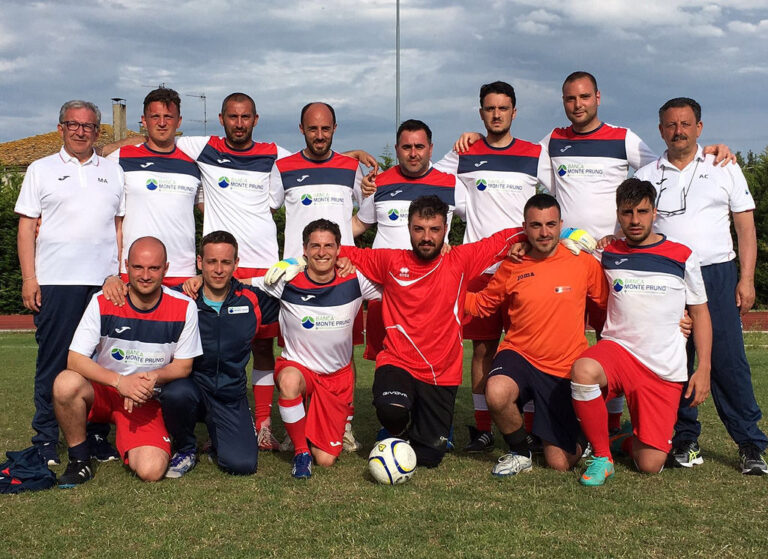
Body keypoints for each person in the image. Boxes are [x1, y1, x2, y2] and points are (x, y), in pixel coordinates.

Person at [635, 97, 768, 475]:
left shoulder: (723, 166)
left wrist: (746, 279)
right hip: (669, 277)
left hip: (716, 274)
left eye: (686, 124)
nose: (678, 131)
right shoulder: (647, 174)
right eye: (671, 125)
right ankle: (685, 439)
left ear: (699, 128)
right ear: (661, 130)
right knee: (675, 360)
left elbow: (745, 228)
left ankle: (750, 444)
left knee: (728, 362)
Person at [342, 195, 524, 468]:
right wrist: (301, 264)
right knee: (391, 410)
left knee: (429, 458)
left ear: (446, 230)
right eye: (419, 229)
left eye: (434, 230)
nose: (426, 237)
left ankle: (420, 430)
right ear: (409, 229)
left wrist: (568, 234)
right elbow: (334, 250)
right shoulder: (390, 261)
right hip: (398, 361)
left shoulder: (460, 260)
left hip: (441, 373)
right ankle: (399, 430)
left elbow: (512, 235)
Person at [433, 81, 551, 452]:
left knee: (529, 348)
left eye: (503, 108)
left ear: (514, 112)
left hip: (525, 266)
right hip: (481, 272)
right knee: (482, 350)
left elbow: (557, 200)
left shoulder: (536, 153)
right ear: (481, 112)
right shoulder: (464, 153)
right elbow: (429, 180)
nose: (496, 114)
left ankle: (529, 426)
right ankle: (483, 428)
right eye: (489, 108)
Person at [571, 178, 712, 486]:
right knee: (583, 370)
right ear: (618, 214)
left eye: (642, 212)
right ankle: (602, 456)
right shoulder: (607, 253)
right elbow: (565, 243)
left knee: (650, 464)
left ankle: (623, 439)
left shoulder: (682, 255)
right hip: (619, 351)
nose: (634, 220)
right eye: (627, 212)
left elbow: (700, 312)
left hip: (662, 367)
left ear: (654, 212)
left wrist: (703, 368)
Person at [464, 193, 609, 476]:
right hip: (519, 354)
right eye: (536, 225)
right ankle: (520, 451)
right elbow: (482, 304)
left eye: (551, 224)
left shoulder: (584, 263)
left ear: (561, 225)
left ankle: (582, 434)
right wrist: (443, 292)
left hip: (564, 368)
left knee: (559, 463)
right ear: (525, 227)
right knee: (496, 392)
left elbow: (609, 306)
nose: (544, 233)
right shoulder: (512, 263)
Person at [15, 100, 125, 466]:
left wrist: (119, 273)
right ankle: (45, 439)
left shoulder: (113, 171)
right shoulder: (39, 169)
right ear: (61, 127)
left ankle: (95, 436)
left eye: (89, 126)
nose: (81, 131)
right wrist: (30, 278)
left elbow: (119, 226)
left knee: (100, 363)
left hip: (103, 285)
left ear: (98, 131)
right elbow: (27, 226)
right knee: (53, 363)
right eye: (73, 124)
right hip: (57, 282)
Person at [52, 237, 202, 487]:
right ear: (126, 266)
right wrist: (120, 382)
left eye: (153, 268)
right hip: (105, 390)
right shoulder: (103, 300)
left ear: (165, 268)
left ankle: (127, 438)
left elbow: (184, 366)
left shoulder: (184, 307)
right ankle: (79, 460)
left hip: (145, 398)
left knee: (151, 470)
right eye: (137, 267)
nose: (145, 275)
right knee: (65, 383)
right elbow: (75, 359)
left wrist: (146, 380)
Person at [269, 102, 367, 451]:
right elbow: (266, 212)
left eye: (326, 129)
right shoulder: (283, 168)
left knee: (344, 352)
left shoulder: (351, 167)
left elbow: (368, 212)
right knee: (293, 352)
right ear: (301, 129)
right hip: (295, 280)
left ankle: (345, 424)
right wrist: (281, 263)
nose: (320, 135)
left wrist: (350, 251)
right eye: (313, 129)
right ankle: (294, 426)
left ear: (335, 129)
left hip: (341, 275)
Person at [254, 219, 380, 478]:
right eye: (315, 246)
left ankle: (307, 427)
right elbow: (241, 283)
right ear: (305, 249)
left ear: (338, 249)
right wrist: (200, 280)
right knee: (289, 380)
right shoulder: (287, 280)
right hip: (300, 370)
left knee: (325, 460)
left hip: (336, 379)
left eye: (328, 246)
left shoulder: (355, 279)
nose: (321, 252)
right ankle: (300, 452)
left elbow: (398, 282)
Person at [160, 231, 279, 478]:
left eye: (226, 262)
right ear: (199, 262)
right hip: (192, 388)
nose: (218, 269)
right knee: (176, 393)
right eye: (211, 262)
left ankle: (219, 437)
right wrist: (113, 280)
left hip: (230, 396)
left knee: (242, 465)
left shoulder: (252, 300)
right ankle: (185, 448)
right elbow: (143, 288)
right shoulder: (181, 297)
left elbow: (301, 285)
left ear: (236, 264)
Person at [353, 119, 466, 366]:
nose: (413, 153)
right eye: (406, 147)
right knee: (385, 362)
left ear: (431, 148)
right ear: (396, 149)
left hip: (429, 291)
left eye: (419, 146)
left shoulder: (450, 183)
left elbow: (478, 222)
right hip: (384, 291)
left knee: (428, 360)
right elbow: (359, 225)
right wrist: (321, 242)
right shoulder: (379, 183)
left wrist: (455, 251)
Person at [103, 87, 202, 291]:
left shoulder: (195, 163)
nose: (162, 123)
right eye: (155, 116)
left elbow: (212, 211)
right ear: (144, 120)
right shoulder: (120, 158)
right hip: (134, 273)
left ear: (179, 121)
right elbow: (102, 210)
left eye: (168, 116)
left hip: (182, 274)